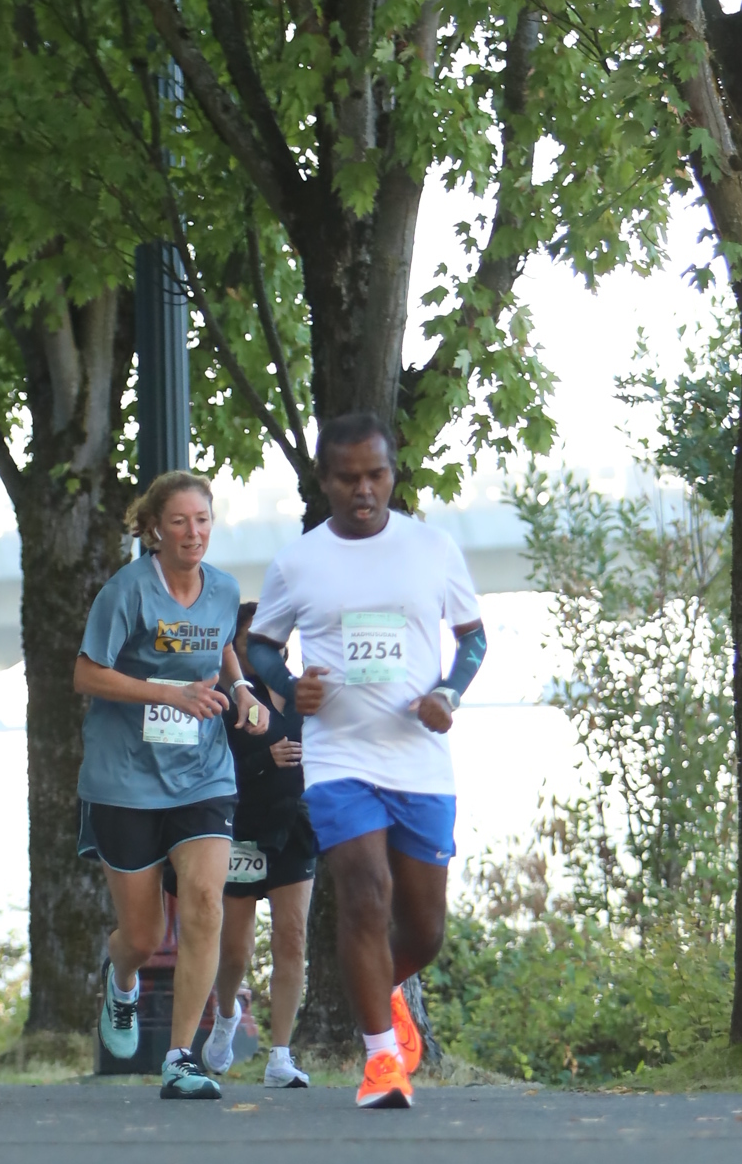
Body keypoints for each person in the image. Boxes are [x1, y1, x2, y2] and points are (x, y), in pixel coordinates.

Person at [246, 413, 487, 1112]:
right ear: (324, 481)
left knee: (424, 930)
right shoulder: (299, 561)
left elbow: (473, 639)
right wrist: (291, 685)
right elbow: (262, 646)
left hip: (419, 759)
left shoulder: (432, 548)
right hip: (338, 757)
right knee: (363, 891)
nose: (363, 490)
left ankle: (383, 990)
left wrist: (448, 692)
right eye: (348, 478)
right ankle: (382, 1060)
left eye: (376, 475)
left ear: (391, 475)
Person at [73, 470, 268, 1102]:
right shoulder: (126, 591)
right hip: (125, 777)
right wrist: (166, 694)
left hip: (202, 773)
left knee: (205, 902)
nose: (193, 533)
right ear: (155, 528)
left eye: (202, 520)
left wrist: (241, 689)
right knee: (143, 936)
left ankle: (181, 1057)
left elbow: (220, 646)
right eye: (179, 521)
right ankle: (121, 978)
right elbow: (85, 674)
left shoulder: (224, 588)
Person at [200, 605, 316, 1088]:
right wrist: (266, 758)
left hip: (296, 828)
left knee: (292, 938)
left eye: (271, 638)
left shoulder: (304, 693)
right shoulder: (229, 699)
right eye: (250, 639)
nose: (263, 646)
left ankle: (280, 1057)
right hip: (243, 829)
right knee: (236, 950)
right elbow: (212, 772)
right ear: (235, 646)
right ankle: (227, 1014)